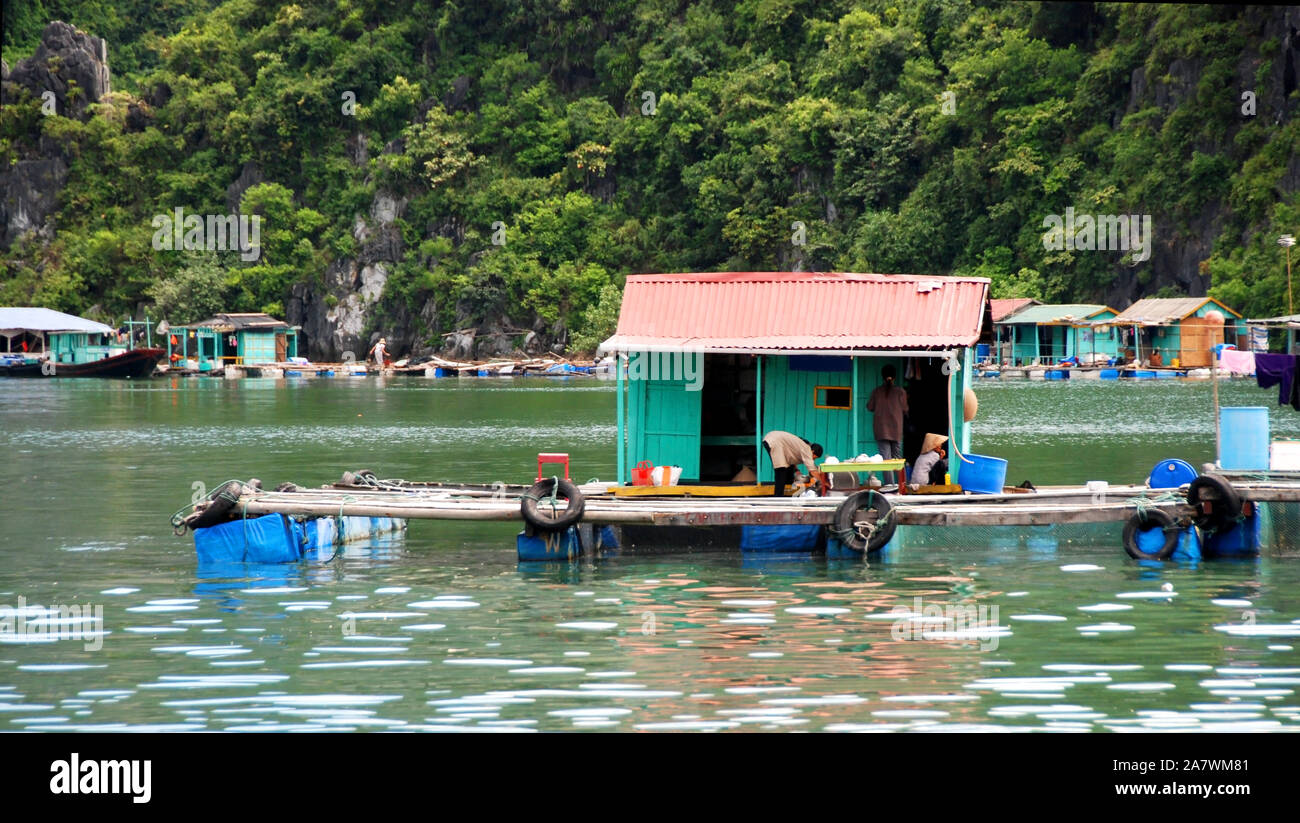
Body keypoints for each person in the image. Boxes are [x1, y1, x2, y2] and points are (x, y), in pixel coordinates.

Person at [867, 364, 908, 485]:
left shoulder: (877, 391)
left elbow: (870, 407)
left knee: (886, 460)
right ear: (894, 377)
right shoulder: (900, 392)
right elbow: (905, 409)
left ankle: (890, 486)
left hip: (881, 431)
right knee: (898, 459)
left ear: (882, 376)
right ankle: (902, 485)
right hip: (896, 431)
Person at [761, 430, 825, 497]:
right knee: (781, 470)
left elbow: (792, 459)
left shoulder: (803, 447)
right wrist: (822, 483)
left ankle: (787, 492)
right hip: (774, 440)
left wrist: (796, 470)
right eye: (815, 457)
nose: (814, 459)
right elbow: (813, 471)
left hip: (774, 439)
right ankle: (778, 497)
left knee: (789, 469)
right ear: (813, 451)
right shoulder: (807, 449)